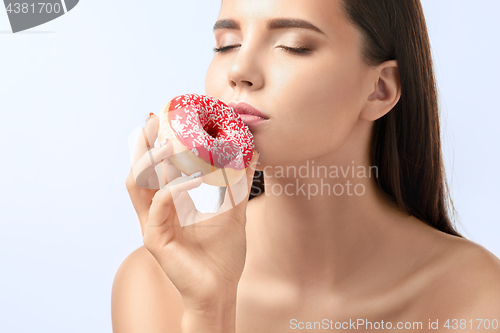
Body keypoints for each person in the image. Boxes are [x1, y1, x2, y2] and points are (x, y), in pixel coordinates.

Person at [112, 0, 500, 332]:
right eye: (226, 45)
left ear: (380, 89)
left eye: (293, 46)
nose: (239, 71)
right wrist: (208, 309)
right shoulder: (155, 283)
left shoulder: (478, 297)